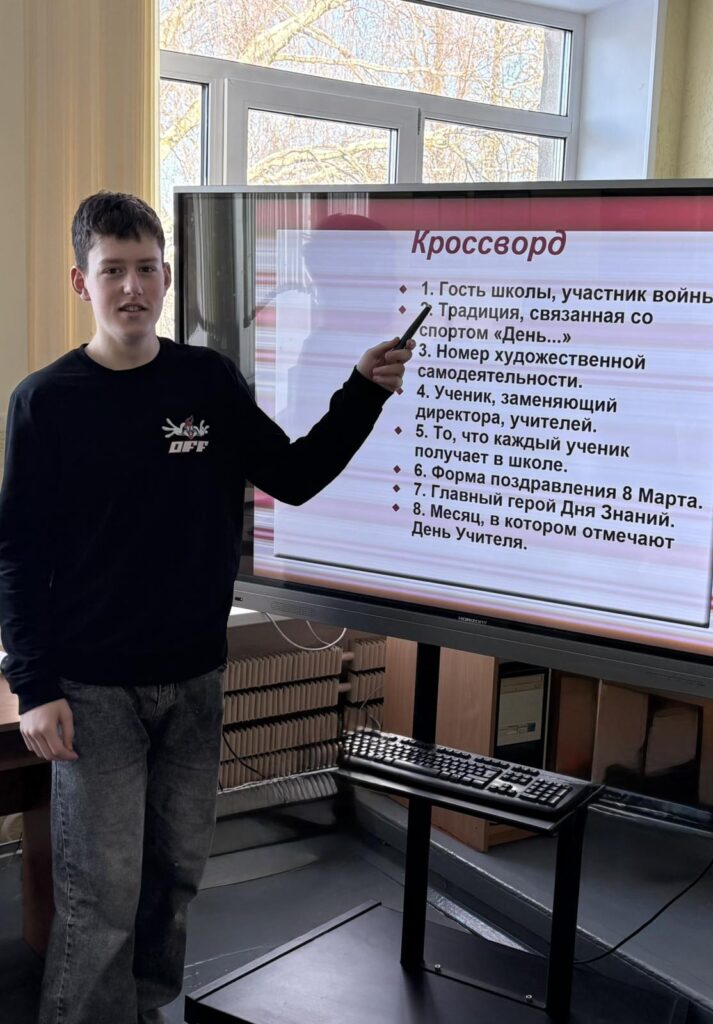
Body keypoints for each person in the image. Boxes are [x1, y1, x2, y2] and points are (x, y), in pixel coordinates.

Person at [0, 191, 413, 1024]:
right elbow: (17, 554)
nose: (131, 288)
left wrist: (363, 392)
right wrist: (33, 684)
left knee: (176, 878)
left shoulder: (207, 382)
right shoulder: (45, 400)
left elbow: (294, 475)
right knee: (101, 894)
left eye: (146, 269)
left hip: (196, 679)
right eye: (111, 271)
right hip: (93, 691)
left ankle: (153, 1010)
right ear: (81, 282)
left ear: (166, 276)